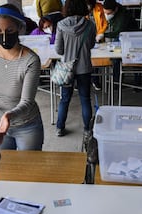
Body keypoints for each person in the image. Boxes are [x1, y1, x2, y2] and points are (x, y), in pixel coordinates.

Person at [0, 4, 44, 151]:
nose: (4, 35)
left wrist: (8, 115)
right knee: (3, 166)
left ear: (19, 28)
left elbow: (27, 101)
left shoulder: (30, 60)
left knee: (29, 168)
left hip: (26, 126)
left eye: (9, 30)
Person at [54, 0, 96, 138]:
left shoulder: (61, 25)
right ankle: (87, 129)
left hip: (67, 69)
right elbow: (90, 45)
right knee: (85, 99)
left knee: (64, 99)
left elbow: (59, 50)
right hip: (84, 68)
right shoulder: (90, 25)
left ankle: (60, 128)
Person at [87, 0, 108, 90]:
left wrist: (101, 33)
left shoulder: (99, 7)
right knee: (84, 58)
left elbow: (104, 23)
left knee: (97, 58)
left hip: (98, 36)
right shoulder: (80, 9)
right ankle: (82, 81)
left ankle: (95, 80)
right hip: (85, 37)